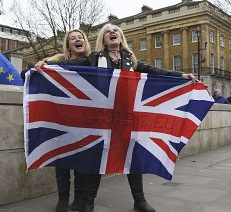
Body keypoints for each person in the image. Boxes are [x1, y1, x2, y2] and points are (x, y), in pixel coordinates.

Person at [79, 23, 195, 212]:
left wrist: (181, 75)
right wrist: (44, 65)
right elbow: (71, 65)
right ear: (103, 38)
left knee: (132, 156)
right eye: (108, 31)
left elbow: (155, 71)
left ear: (121, 36)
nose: (112, 32)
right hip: (103, 117)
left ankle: (139, 201)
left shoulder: (130, 60)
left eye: (115, 30)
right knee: (98, 156)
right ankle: (89, 201)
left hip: (127, 116)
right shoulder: (94, 58)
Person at [35, 29, 91, 212]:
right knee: (62, 158)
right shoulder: (57, 62)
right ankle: (63, 198)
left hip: (85, 118)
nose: (77, 39)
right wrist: (42, 63)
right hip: (62, 117)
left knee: (82, 159)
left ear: (85, 42)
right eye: (73, 38)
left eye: (80, 37)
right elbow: (25, 74)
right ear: (68, 45)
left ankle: (80, 196)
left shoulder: (94, 60)